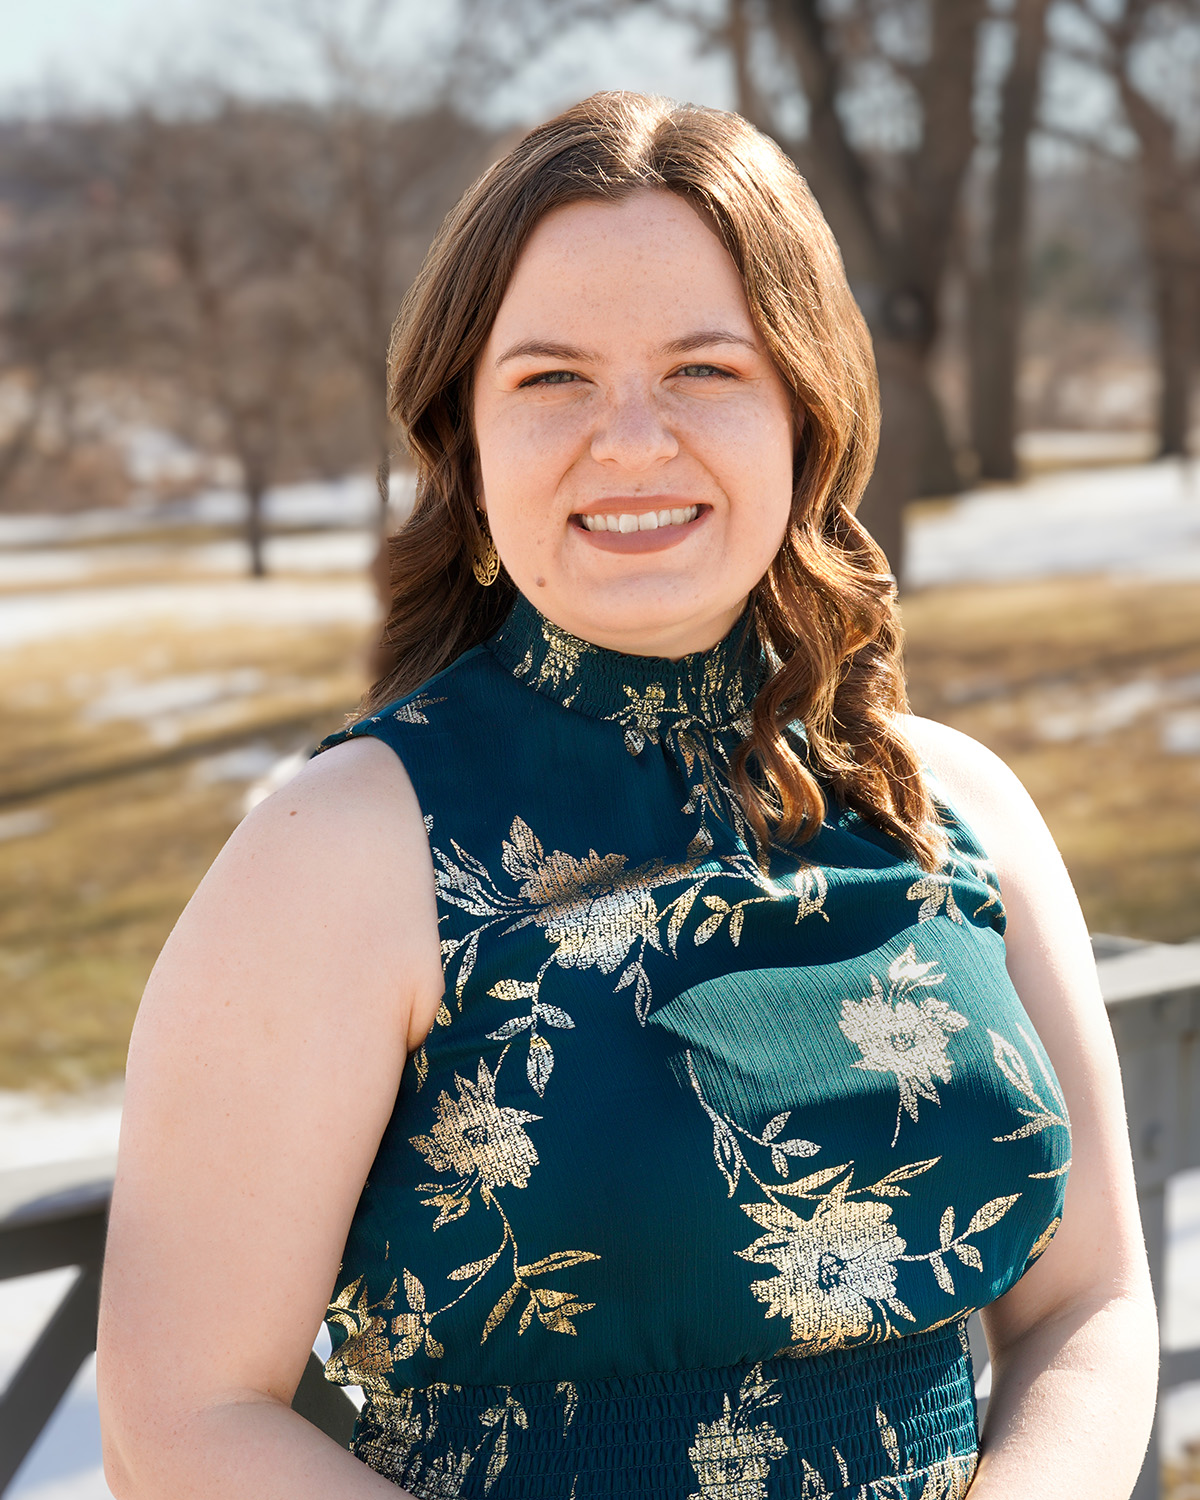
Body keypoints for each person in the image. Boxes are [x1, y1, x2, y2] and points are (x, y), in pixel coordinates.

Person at [97, 92, 1158, 1500]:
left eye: (705, 369)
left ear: (807, 408)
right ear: (467, 446)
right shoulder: (345, 852)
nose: (634, 440)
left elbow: (1092, 1305)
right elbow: (176, 1424)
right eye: (552, 380)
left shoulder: (949, 805)